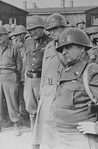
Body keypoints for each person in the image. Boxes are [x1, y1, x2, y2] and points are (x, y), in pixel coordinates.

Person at [52, 28, 98, 149]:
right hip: (63, 136)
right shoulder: (68, 70)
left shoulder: (91, 71)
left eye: (68, 47)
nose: (64, 52)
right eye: (62, 49)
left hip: (81, 138)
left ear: (82, 48)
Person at [32, 13, 67, 149]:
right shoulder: (48, 46)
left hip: (60, 89)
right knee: (42, 123)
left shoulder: (70, 44)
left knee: (55, 124)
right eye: (50, 30)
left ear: (63, 27)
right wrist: (41, 90)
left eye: (55, 29)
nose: (52, 33)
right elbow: (45, 70)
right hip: (47, 89)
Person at [0, 25, 22, 136]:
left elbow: (19, 65)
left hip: (10, 75)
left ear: (6, 35)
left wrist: (13, 75)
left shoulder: (14, 47)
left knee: (12, 100)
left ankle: (16, 124)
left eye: (1, 35)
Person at [24, 15, 51, 134]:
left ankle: (45, 131)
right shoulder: (28, 42)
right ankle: (33, 129)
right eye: (30, 30)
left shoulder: (50, 42)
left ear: (42, 28)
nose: (32, 32)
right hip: (30, 78)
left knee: (44, 105)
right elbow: (26, 60)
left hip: (42, 79)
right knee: (30, 105)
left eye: (35, 29)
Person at [12, 25, 30, 127]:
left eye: (21, 34)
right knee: (16, 97)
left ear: (24, 34)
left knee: (25, 97)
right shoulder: (15, 47)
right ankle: (17, 118)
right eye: (17, 35)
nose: (19, 37)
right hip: (16, 75)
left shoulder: (28, 45)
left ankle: (24, 117)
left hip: (25, 76)